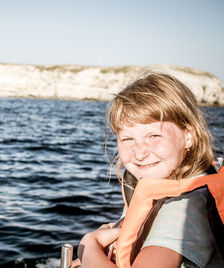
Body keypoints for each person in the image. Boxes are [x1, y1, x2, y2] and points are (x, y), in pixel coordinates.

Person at [72, 72, 224, 268]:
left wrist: (88, 247)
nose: (140, 153)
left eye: (153, 136)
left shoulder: (184, 209)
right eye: (127, 139)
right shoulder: (157, 182)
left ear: (188, 137)